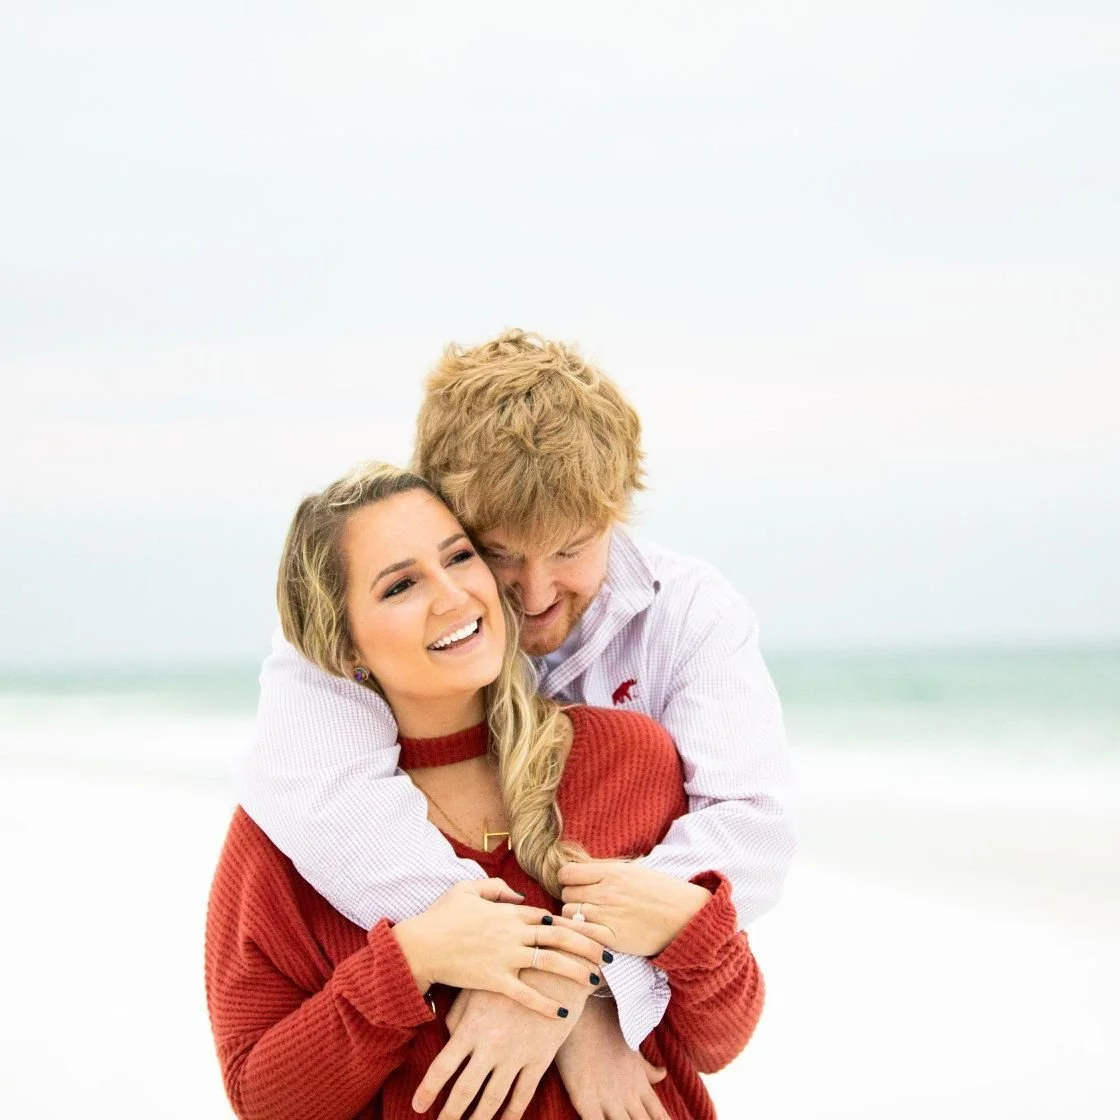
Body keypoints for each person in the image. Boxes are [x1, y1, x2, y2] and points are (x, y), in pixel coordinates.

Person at [236, 330, 793, 1110]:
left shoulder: (679, 641)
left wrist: (577, 989)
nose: (533, 596)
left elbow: (749, 839)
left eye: (570, 549)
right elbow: (325, 799)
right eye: (494, 553)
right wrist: (494, 963)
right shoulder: (333, 658)